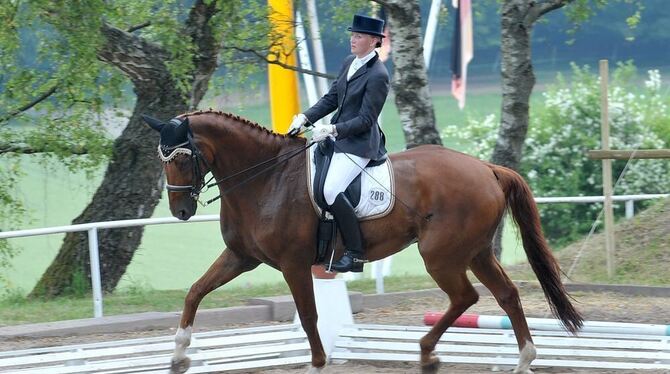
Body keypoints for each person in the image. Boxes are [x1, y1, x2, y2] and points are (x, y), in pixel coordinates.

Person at [288, 14, 390, 273]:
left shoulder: (378, 75)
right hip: (336, 138)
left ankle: (355, 254)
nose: (352, 40)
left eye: (358, 36)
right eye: (352, 35)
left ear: (374, 41)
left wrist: (332, 129)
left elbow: (366, 119)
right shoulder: (349, 62)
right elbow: (332, 98)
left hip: (359, 144)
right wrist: (306, 117)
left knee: (332, 189)